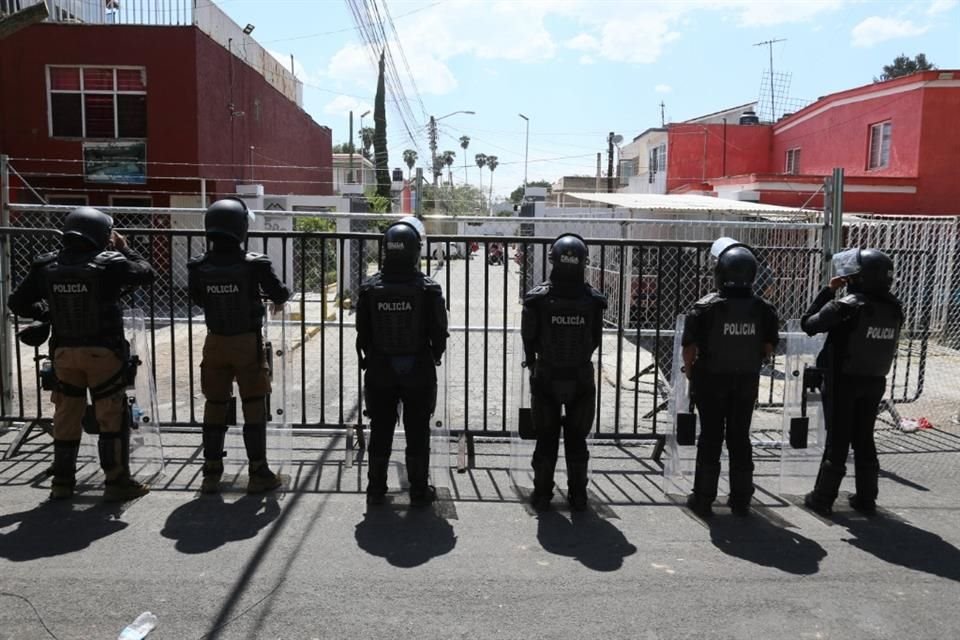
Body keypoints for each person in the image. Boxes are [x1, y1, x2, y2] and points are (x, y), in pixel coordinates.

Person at [8, 207, 155, 501]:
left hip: (64, 352)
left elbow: (18, 302)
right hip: (103, 352)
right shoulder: (110, 263)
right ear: (102, 234)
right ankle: (116, 482)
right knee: (111, 415)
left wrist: (47, 312)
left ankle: (62, 482)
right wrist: (126, 249)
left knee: (66, 415)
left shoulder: (47, 265)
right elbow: (147, 274)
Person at [187, 197, 290, 494]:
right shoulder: (253, 264)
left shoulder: (199, 267)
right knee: (254, 404)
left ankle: (211, 469)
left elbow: (198, 299)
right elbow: (279, 292)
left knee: (215, 404)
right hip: (247, 342)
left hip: (214, 340)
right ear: (241, 228)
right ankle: (258, 470)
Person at [682, 238, 779, 517]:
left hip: (710, 380)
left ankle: (703, 499)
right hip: (745, 381)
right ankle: (741, 499)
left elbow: (689, 348)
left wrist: (691, 374)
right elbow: (769, 348)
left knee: (711, 438)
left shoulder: (705, 307)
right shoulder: (764, 309)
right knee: (739, 438)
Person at [802, 248, 903, 516]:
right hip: (874, 381)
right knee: (864, 439)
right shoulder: (894, 307)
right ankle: (866, 498)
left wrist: (827, 292)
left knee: (837, 440)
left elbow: (809, 324)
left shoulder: (846, 305)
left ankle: (822, 498)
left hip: (843, 380)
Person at [356, 220, 448, 507]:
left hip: (380, 366)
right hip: (418, 366)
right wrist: (436, 355)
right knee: (417, 429)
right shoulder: (428, 289)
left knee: (381, 428)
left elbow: (363, 332)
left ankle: (375, 489)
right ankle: (419, 490)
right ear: (415, 251)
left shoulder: (370, 289)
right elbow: (439, 331)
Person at [522, 233, 607, 512]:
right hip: (581, 374)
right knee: (576, 439)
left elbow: (528, 337)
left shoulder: (538, 299)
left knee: (546, 437)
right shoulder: (593, 301)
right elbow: (595, 338)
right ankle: (578, 496)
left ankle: (542, 495)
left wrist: (533, 362)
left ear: (552, 260)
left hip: (546, 372)